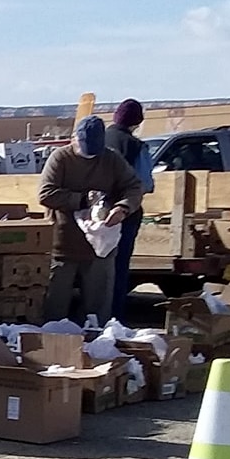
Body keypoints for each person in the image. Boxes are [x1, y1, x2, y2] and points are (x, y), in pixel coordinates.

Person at [39, 115, 143, 326]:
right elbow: (46, 194)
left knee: (97, 311)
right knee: (54, 308)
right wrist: (81, 199)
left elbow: (134, 186)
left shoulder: (111, 159)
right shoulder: (60, 159)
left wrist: (122, 208)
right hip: (63, 244)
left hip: (100, 246)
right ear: (75, 138)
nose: (89, 155)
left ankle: (97, 350)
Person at [105, 99, 152, 309]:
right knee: (119, 267)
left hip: (94, 213)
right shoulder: (135, 146)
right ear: (136, 122)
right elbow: (145, 183)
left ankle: (93, 315)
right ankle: (115, 316)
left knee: (95, 269)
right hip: (126, 213)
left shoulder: (99, 140)